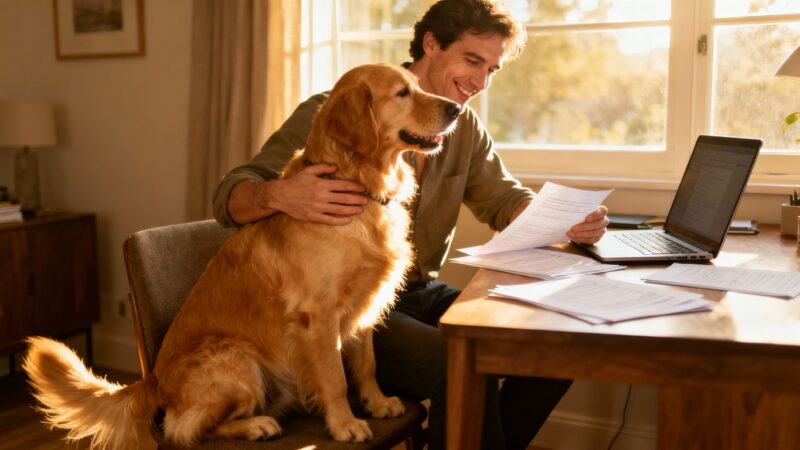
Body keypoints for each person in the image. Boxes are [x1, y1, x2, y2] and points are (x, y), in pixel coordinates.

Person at [212, 0, 609, 448]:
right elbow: (231, 192)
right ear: (431, 44)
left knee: (554, 349)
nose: (479, 82)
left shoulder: (463, 126)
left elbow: (504, 199)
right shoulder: (336, 109)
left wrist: (566, 220)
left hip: (418, 290)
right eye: (472, 61)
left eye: (492, 71)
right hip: (352, 314)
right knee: (460, 367)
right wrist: (279, 193)